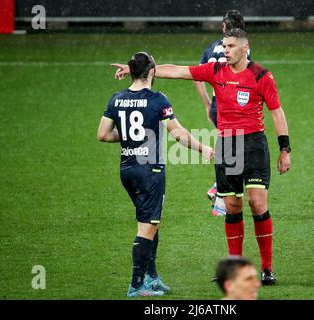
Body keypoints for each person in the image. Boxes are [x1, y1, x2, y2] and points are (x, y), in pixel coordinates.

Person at [112, 28, 291, 286]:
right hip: (227, 146)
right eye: (225, 46)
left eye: (230, 46)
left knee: (257, 203)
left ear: (245, 47)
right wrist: (138, 71)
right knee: (232, 206)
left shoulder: (262, 76)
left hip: (253, 145)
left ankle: (267, 268)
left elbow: (277, 112)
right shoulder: (215, 70)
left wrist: (285, 149)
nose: (225, 51)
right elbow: (178, 70)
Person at [98, 52, 214, 297]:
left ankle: (151, 276)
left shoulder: (116, 99)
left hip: (127, 169)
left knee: (151, 221)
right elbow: (178, 133)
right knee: (147, 227)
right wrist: (203, 147)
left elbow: (103, 134)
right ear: (152, 71)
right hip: (150, 171)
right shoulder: (158, 99)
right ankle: (136, 285)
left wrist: (130, 137)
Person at [195, 10, 251, 217]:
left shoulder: (211, 48)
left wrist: (207, 104)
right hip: (234, 105)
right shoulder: (241, 48)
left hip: (218, 104)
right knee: (242, 149)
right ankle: (219, 191)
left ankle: (219, 192)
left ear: (224, 27)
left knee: (231, 147)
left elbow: (198, 76)